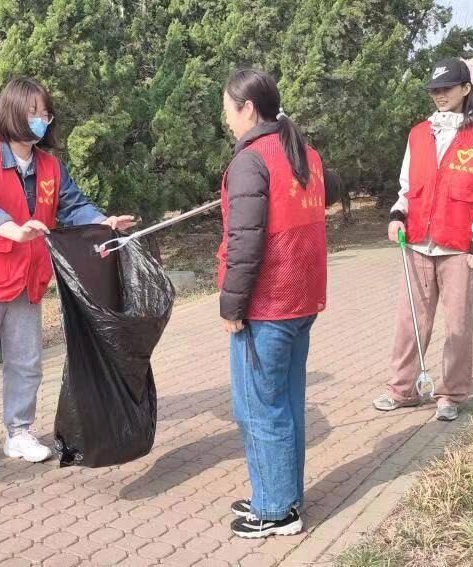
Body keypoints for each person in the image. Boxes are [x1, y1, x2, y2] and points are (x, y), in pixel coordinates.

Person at [0, 77, 136, 475]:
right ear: (12, 111)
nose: (41, 120)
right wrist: (11, 228)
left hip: (28, 278)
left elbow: (73, 205)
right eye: (33, 112)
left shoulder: (49, 166)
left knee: (26, 360)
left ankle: (19, 432)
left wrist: (104, 221)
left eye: (45, 113)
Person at [217, 69, 330, 538]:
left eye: (227, 109)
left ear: (247, 108)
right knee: (285, 400)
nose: (226, 120)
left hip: (267, 303)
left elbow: (244, 242)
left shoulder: (251, 160)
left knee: (258, 408)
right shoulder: (304, 152)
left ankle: (275, 511)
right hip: (302, 298)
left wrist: (231, 305)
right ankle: (283, 494)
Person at [374, 57, 473, 422]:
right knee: (410, 320)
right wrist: (397, 216)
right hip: (416, 244)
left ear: (465, 89)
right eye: (434, 90)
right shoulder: (418, 134)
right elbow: (406, 187)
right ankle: (403, 389)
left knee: (458, 323)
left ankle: (451, 394)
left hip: (459, 247)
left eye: (447, 88)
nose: (440, 95)